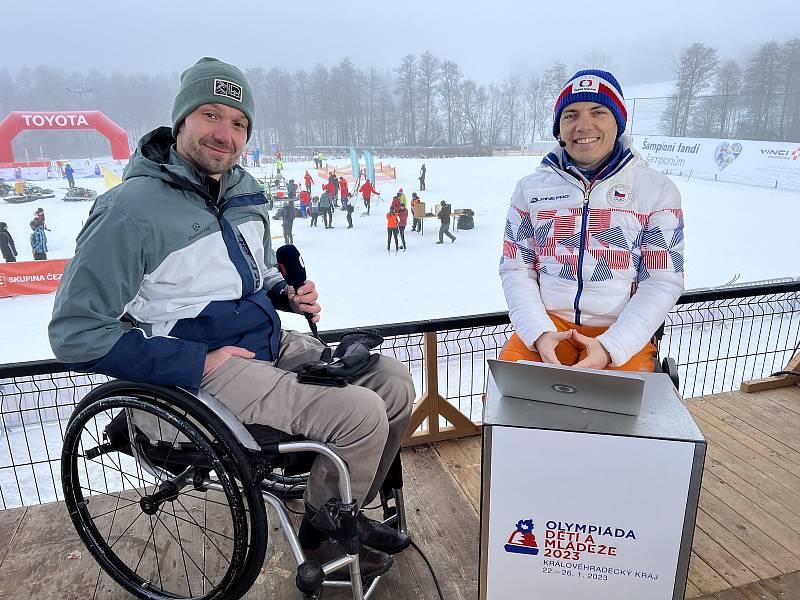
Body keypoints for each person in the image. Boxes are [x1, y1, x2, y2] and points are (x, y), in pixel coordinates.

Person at [48, 57, 414, 577]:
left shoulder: (243, 192)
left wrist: (285, 295)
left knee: (395, 383)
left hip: (265, 345)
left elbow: (253, 276)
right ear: (181, 122)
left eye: (239, 123)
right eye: (211, 115)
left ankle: (329, 508)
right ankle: (326, 534)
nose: (226, 133)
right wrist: (198, 361)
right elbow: (75, 334)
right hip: (204, 371)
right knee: (358, 413)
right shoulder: (129, 211)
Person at [499, 69, 684, 372]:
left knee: (620, 417)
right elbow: (516, 268)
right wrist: (539, 332)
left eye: (598, 112)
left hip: (621, 330)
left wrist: (613, 347)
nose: (583, 125)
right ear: (559, 127)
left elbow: (662, 280)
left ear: (618, 122)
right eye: (570, 115)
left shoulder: (657, 191)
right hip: (549, 328)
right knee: (507, 407)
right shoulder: (530, 190)